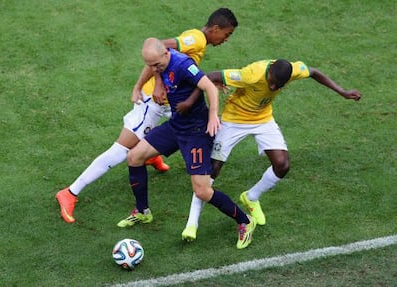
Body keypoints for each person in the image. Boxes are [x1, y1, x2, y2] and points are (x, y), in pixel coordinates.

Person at [55, 8, 238, 224]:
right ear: (215, 29)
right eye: (226, 34)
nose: (225, 39)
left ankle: (151, 154)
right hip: (154, 101)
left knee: (183, 126)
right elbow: (160, 49)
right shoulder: (196, 39)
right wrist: (152, 84)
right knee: (122, 149)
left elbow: (180, 67)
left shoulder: (196, 42)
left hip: (172, 100)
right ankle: (70, 192)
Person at [181, 59, 362, 241]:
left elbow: (314, 72)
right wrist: (190, 101)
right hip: (234, 119)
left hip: (262, 119)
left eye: (279, 85)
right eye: (271, 82)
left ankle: (251, 197)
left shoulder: (293, 70)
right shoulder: (251, 74)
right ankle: (192, 223)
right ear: (269, 72)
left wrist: (343, 92)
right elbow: (210, 76)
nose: (274, 87)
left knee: (282, 165)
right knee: (212, 170)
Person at [120, 37, 256, 249]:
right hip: (177, 125)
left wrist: (212, 116)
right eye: (150, 65)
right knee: (134, 157)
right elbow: (152, 68)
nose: (154, 69)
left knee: (202, 191)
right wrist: (138, 87)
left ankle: (245, 221)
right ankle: (143, 212)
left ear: (166, 53)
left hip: (196, 132)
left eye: (157, 65)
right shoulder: (158, 62)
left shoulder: (183, 64)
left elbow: (209, 87)